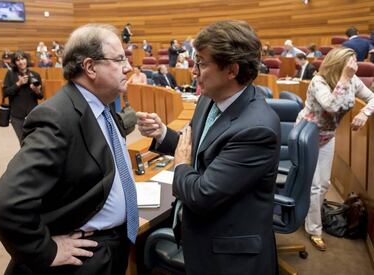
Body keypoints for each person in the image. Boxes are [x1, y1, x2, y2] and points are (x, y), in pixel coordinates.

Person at [0, 24, 138, 275]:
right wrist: (45, 251)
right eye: (119, 58)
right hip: (86, 257)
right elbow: (6, 204)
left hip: (114, 245)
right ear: (90, 67)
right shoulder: (57, 117)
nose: (128, 67)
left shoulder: (101, 104)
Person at [137, 20, 280, 275]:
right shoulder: (209, 98)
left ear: (231, 70)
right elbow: (196, 146)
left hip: (230, 255)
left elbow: (201, 195)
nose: (194, 71)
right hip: (200, 236)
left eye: (202, 63)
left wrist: (180, 164)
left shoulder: (257, 129)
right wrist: (162, 134)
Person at [296, 47, 374, 251]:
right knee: (312, 184)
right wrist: (345, 79)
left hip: (328, 137)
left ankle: (309, 217)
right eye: (351, 63)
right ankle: (314, 229)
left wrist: (365, 113)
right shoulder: (318, 81)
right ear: (338, 64)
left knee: (322, 184)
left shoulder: (354, 80)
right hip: (307, 135)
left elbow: (372, 98)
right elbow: (330, 105)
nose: (355, 67)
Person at [1, 50, 43, 145]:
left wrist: (37, 91)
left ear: (26, 60)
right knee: (24, 142)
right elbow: (5, 93)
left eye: (23, 59)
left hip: (33, 115)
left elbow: (41, 96)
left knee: (36, 141)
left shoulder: (35, 75)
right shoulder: (10, 74)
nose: (21, 62)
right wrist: (18, 84)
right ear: (15, 63)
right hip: (17, 116)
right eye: (18, 60)